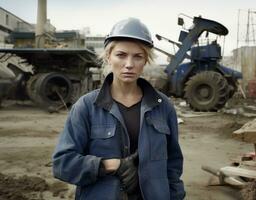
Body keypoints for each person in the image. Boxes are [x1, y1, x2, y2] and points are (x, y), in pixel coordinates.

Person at [52, 17, 185, 200]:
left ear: (145, 60)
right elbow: (62, 164)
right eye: (121, 55)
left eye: (137, 56)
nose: (129, 64)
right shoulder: (86, 107)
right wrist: (109, 165)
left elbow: (173, 166)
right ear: (108, 56)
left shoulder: (163, 108)